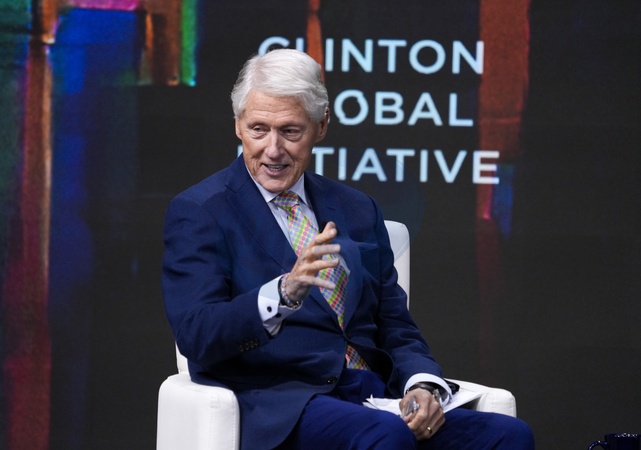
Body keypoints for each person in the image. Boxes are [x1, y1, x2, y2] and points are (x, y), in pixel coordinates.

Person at [162, 48, 534, 450]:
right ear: (237, 125)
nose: (273, 149)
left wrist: (422, 383)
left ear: (321, 125)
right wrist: (283, 293)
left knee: (508, 435)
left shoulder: (357, 208)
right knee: (384, 434)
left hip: (370, 397)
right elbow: (197, 333)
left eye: (290, 131)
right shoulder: (201, 210)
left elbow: (394, 323)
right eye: (258, 129)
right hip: (282, 403)